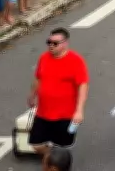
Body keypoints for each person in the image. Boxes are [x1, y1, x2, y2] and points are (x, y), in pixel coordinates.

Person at [28, 28, 89, 156]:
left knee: (63, 147)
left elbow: (83, 85)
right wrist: (32, 95)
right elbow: (38, 78)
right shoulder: (43, 58)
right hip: (43, 113)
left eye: (55, 43)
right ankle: (51, 156)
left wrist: (79, 110)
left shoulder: (76, 60)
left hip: (65, 115)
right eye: (49, 42)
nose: (51, 45)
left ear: (65, 43)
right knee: (36, 145)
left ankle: (55, 161)